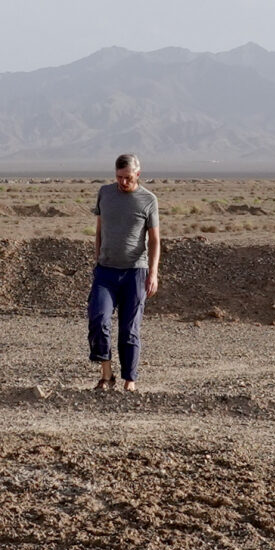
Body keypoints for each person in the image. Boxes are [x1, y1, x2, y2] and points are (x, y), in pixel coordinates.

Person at [88, 153, 160, 392]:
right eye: (119, 177)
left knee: (129, 329)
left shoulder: (148, 200)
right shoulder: (105, 193)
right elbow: (99, 229)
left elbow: (155, 240)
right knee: (99, 318)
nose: (123, 182)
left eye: (128, 177)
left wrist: (153, 273)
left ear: (138, 174)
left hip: (135, 272)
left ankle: (130, 380)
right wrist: (98, 258)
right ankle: (106, 375)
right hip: (106, 271)